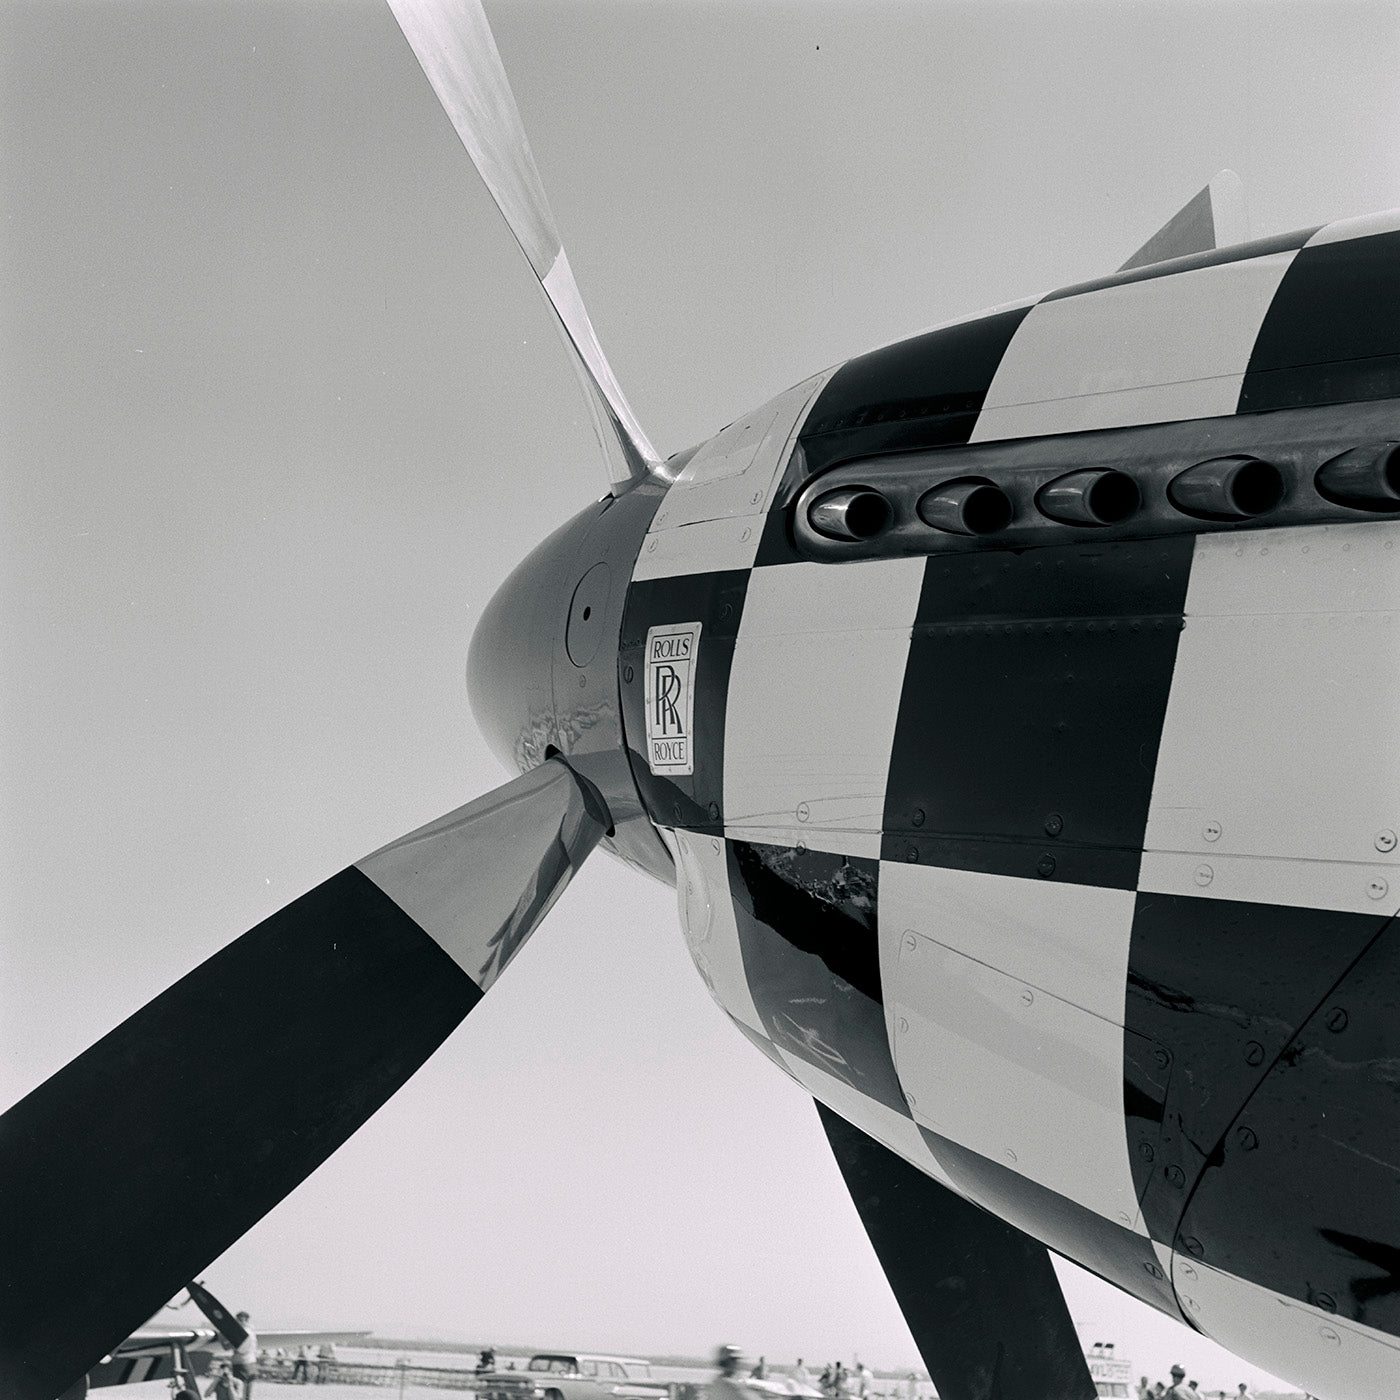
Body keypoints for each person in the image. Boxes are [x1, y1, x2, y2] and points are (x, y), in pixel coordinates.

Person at [230, 1312, 258, 1400]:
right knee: (248, 1392)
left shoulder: (241, 1332)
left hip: (241, 1362)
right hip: (252, 1362)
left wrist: (222, 1337)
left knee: (238, 1390)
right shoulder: (251, 1331)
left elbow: (229, 1347)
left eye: (238, 1319)